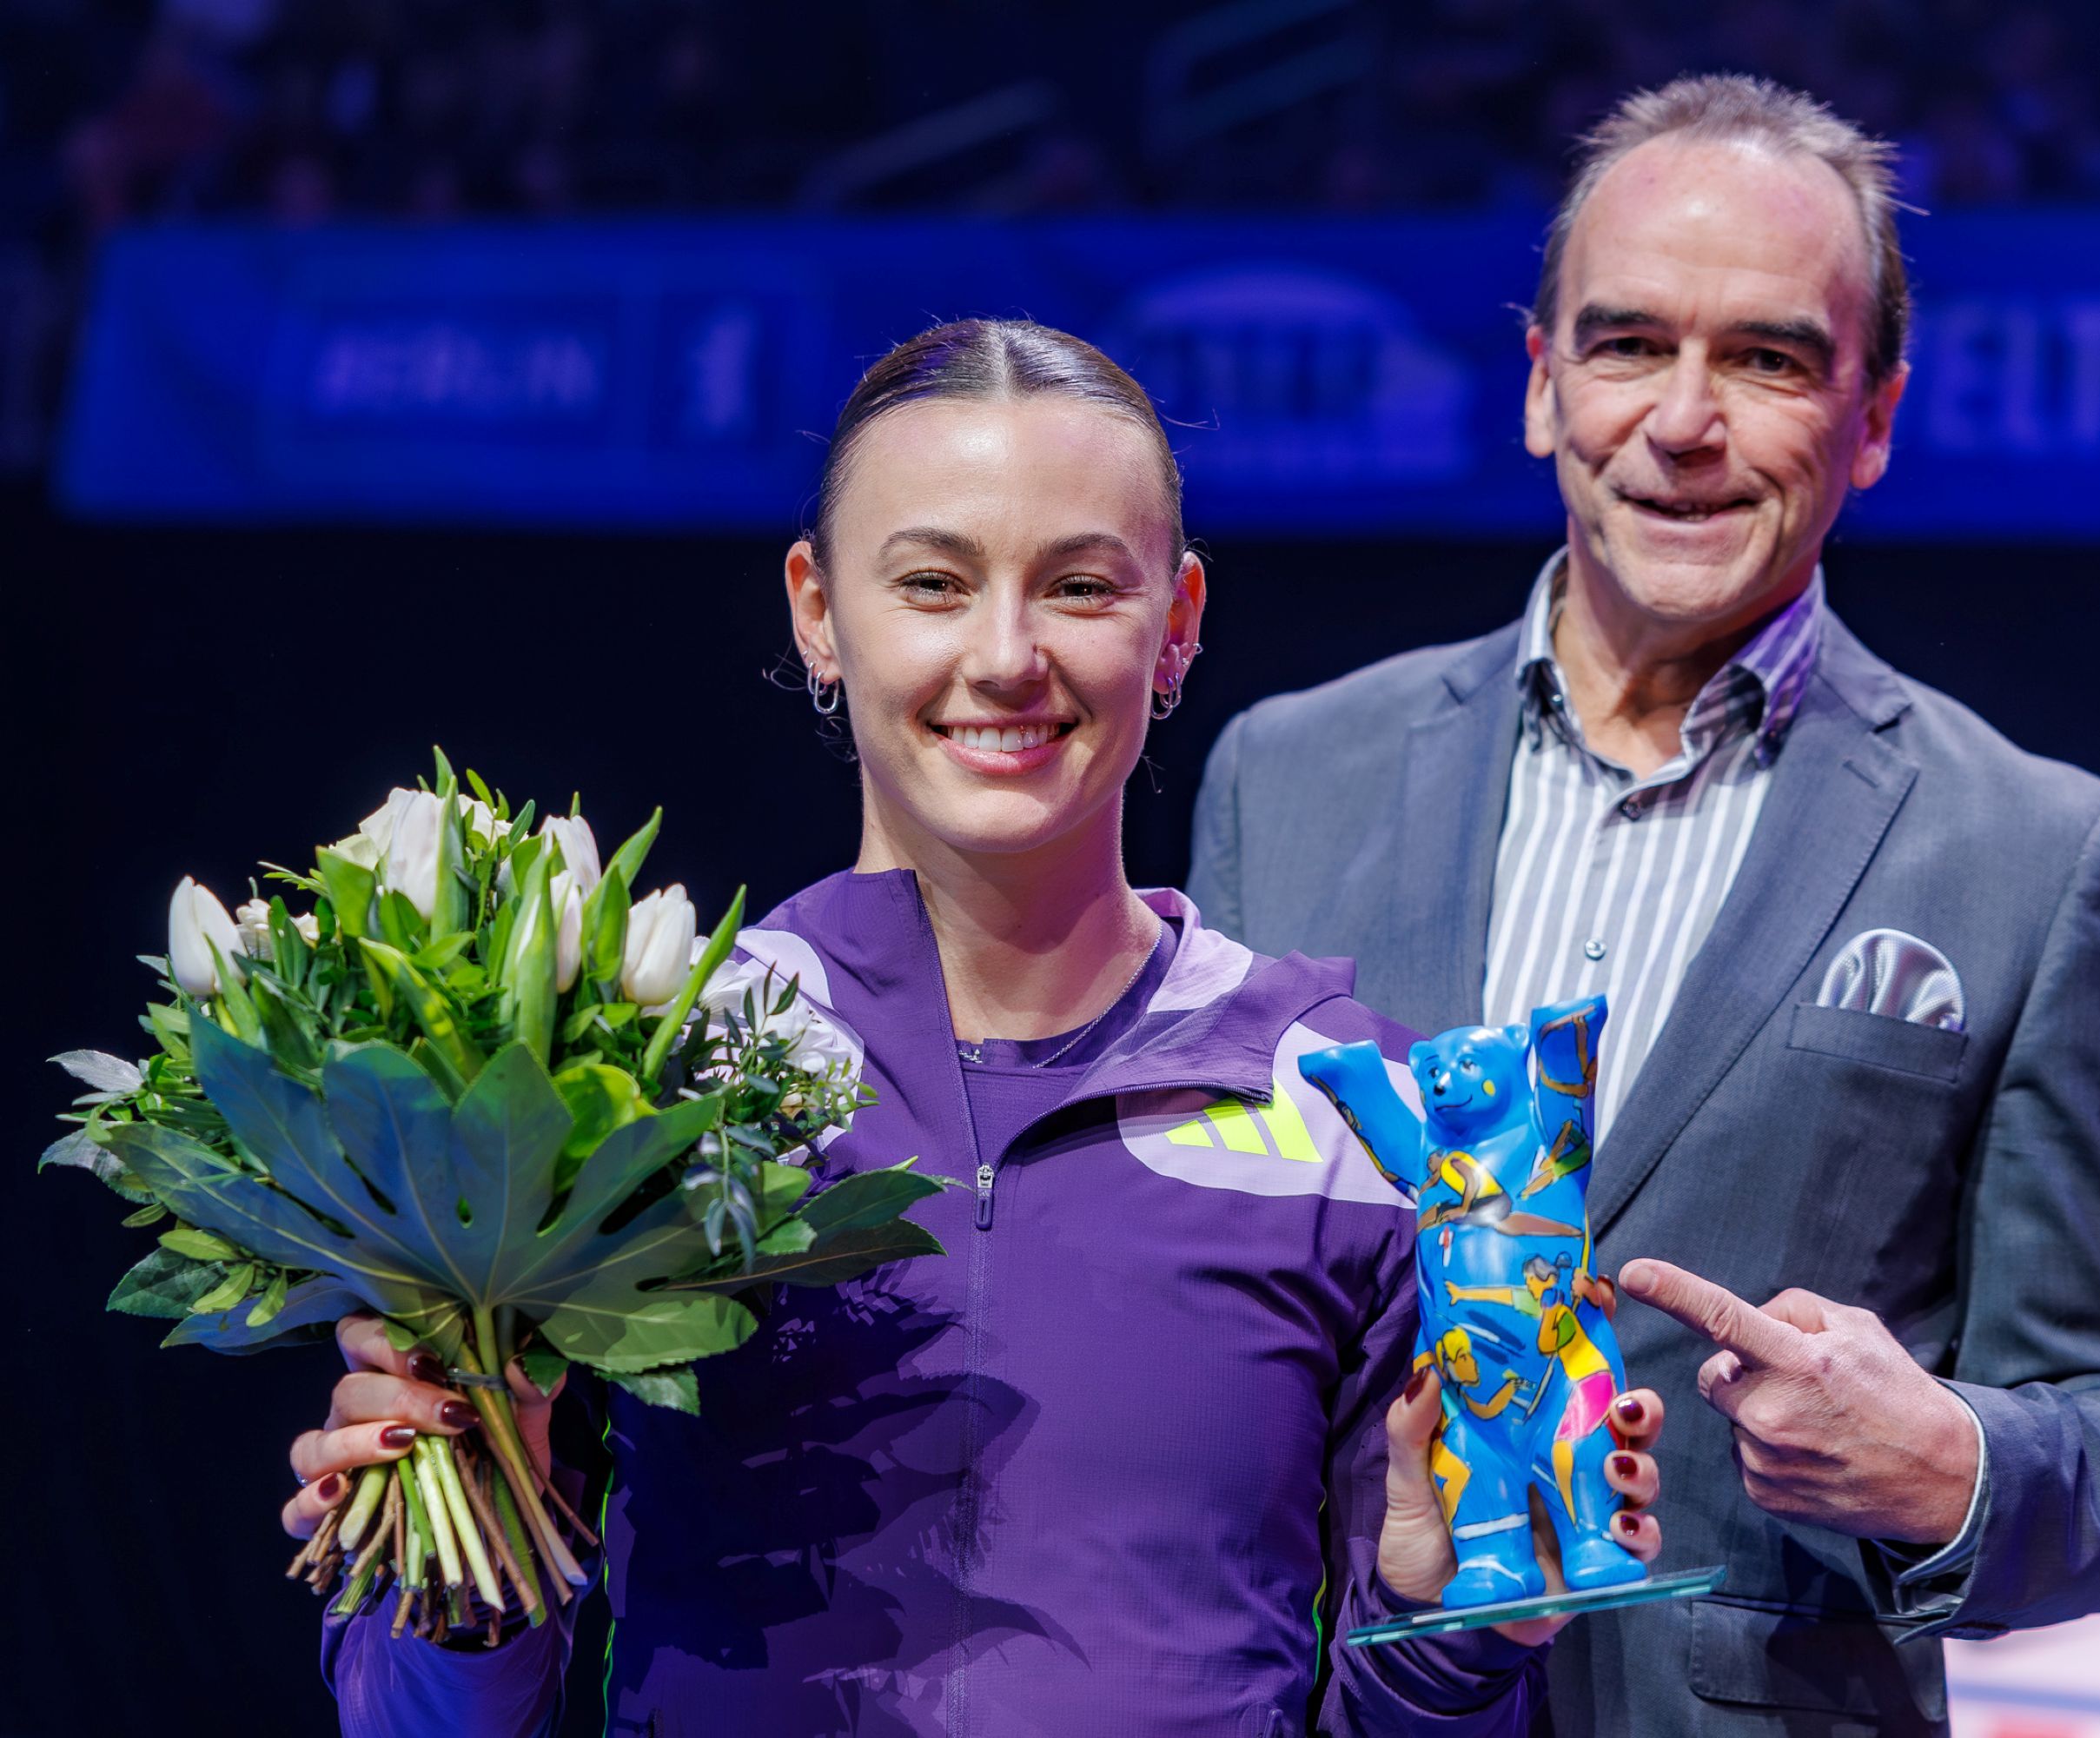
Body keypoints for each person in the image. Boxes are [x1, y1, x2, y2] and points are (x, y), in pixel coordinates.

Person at [273, 317, 1669, 1738]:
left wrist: (1452, 1633)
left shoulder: (1343, 1105)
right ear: (818, 610)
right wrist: (463, 1585)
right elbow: (416, 1724)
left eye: (1078, 586)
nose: (1007, 658)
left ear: (1177, 622)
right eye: (934, 583)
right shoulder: (625, 1088)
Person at [1188, 76, 2100, 1737]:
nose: (1683, 418)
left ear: (1872, 419)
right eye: (1627, 345)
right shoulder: (1289, 773)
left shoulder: (2030, 852)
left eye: (1768, 358)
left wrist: (1947, 1462)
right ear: (1540, 386)